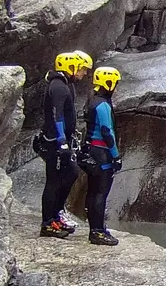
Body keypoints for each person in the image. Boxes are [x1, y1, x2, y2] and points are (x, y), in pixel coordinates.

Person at [36, 50, 91, 238]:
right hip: (54, 142)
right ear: (71, 67)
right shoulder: (58, 86)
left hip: (62, 140)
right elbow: (56, 115)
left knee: (70, 174)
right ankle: (48, 222)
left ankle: (56, 215)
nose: (84, 74)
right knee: (54, 181)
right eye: (82, 69)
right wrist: (61, 142)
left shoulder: (66, 85)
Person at [82, 66, 122, 247]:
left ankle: (96, 228)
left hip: (91, 150)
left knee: (92, 191)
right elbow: (107, 131)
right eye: (115, 83)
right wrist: (116, 156)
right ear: (109, 82)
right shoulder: (103, 105)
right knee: (100, 193)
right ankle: (97, 231)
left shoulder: (92, 100)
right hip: (101, 153)